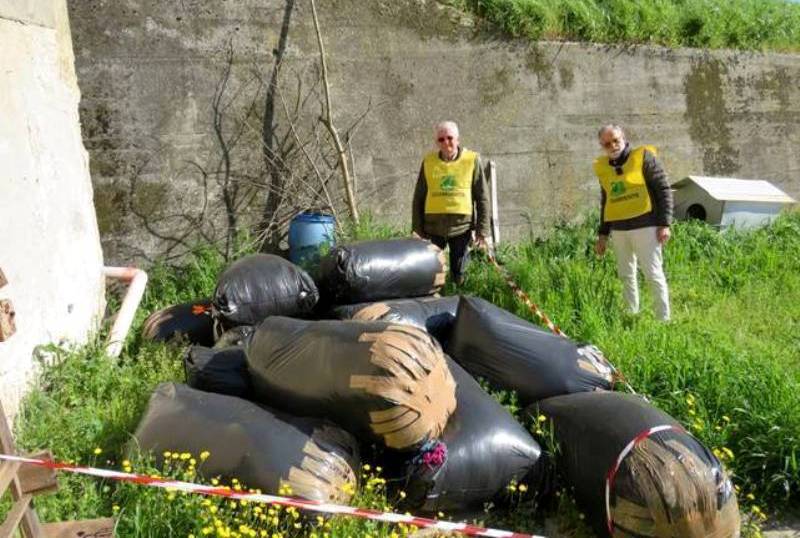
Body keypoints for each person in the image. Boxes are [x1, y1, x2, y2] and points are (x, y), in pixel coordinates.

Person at [593, 124, 673, 321]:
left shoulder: (643, 157)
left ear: (623, 138)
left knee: (652, 273)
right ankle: (631, 314)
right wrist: (603, 235)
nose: (612, 146)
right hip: (619, 230)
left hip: (646, 226)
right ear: (602, 146)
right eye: (606, 144)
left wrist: (665, 223)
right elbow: (607, 202)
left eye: (615, 140)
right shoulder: (604, 169)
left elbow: (663, 189)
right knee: (626, 274)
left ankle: (663, 320)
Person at [412, 121, 490, 286]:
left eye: (450, 138)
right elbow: (418, 197)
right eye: (441, 139)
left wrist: (482, 230)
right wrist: (417, 230)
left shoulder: (472, 160)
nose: (446, 142)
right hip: (432, 228)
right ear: (436, 142)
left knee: (459, 272)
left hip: (461, 227)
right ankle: (434, 300)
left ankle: (459, 296)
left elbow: (482, 197)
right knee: (430, 270)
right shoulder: (428, 162)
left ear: (458, 139)